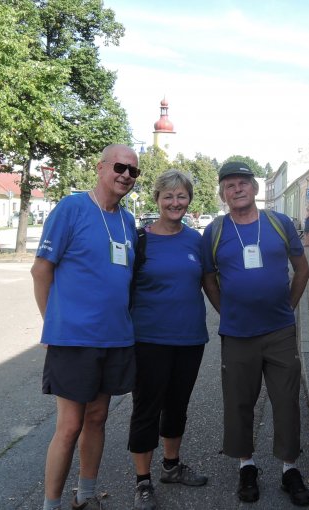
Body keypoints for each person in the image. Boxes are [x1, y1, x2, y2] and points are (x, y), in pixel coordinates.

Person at [31, 144, 140, 510]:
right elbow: (41, 270)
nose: (126, 175)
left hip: (115, 337)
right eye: (120, 167)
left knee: (98, 417)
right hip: (74, 338)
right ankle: (52, 504)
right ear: (101, 168)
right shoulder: (72, 208)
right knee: (70, 425)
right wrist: (53, 324)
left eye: (133, 171)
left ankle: (86, 495)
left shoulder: (127, 221)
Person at [201, 161, 309, 506]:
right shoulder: (215, 231)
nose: (237, 189)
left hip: (279, 331)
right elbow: (208, 279)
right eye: (230, 185)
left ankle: (289, 469)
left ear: (255, 188)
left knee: (286, 401)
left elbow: (303, 269)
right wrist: (227, 312)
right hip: (237, 335)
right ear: (222, 194)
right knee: (239, 402)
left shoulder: (279, 224)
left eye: (243, 183)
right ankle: (246, 465)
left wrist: (289, 307)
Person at [128, 170, 209, 510]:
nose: (175, 203)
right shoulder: (140, 240)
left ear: (189, 200)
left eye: (182, 196)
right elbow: (121, 288)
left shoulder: (197, 240)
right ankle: (142, 481)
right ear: (157, 200)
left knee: (178, 405)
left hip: (190, 338)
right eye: (168, 197)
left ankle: (171, 467)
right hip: (149, 339)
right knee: (147, 408)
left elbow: (210, 282)